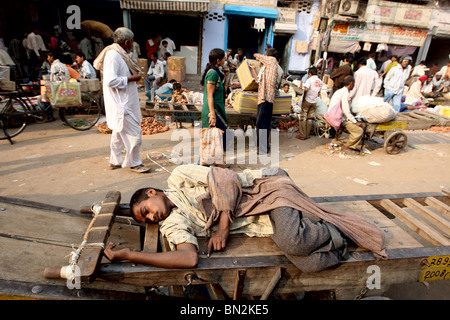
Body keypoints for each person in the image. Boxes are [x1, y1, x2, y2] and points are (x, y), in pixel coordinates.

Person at [103, 164, 386, 273]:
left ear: (152, 192)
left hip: (265, 187)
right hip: (263, 218)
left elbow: (224, 177)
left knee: (293, 241)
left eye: (146, 210)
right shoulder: (173, 223)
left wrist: (223, 227)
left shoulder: (178, 178)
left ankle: (343, 228)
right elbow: (188, 258)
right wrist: (130, 254)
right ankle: (335, 237)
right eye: (149, 220)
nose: (153, 216)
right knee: (309, 263)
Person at [93, 27, 151, 173]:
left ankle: (115, 159)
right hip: (121, 104)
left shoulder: (120, 54)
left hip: (124, 101)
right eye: (131, 42)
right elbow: (110, 81)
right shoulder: (114, 55)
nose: (132, 44)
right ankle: (134, 163)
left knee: (118, 132)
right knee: (135, 134)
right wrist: (133, 78)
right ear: (126, 42)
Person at [252, 48, 280, 154]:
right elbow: (257, 81)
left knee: (261, 123)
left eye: (265, 54)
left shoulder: (272, 61)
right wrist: (253, 69)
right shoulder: (267, 68)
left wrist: (256, 56)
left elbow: (256, 55)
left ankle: (263, 148)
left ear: (268, 55)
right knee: (263, 123)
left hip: (266, 97)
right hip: (263, 98)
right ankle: (264, 147)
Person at [201, 48, 230, 149]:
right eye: (224, 58)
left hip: (218, 109)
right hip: (213, 111)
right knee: (212, 142)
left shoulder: (217, 73)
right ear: (218, 60)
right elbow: (209, 96)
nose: (225, 60)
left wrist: (226, 76)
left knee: (219, 141)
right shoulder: (213, 73)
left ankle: (214, 163)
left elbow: (224, 91)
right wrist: (212, 115)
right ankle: (205, 164)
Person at [332, 76, 364, 152]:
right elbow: (346, 111)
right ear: (351, 84)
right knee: (359, 131)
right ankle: (348, 146)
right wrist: (355, 122)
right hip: (339, 118)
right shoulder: (345, 93)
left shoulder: (339, 91)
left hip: (333, 115)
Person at [296, 66, 322, 140]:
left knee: (303, 117)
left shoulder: (309, 80)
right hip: (314, 101)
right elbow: (319, 92)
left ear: (310, 74)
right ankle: (307, 134)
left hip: (307, 100)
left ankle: (303, 135)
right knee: (310, 118)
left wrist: (304, 98)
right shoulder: (320, 81)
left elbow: (306, 89)